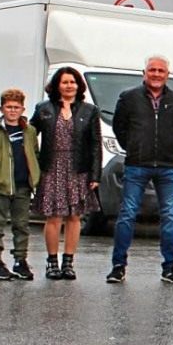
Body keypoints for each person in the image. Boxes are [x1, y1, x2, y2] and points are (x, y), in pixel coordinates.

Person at [107, 56, 173, 285]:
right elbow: (119, 128)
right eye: (152, 70)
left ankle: (170, 268)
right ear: (144, 72)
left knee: (169, 216)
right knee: (127, 214)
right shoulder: (129, 98)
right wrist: (134, 147)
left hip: (168, 167)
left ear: (167, 74)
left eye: (161, 71)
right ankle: (118, 266)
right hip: (137, 165)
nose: (156, 74)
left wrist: (169, 147)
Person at [31, 67, 101, 281]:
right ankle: (52, 262)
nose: (69, 86)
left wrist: (95, 174)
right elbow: (29, 134)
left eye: (73, 82)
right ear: (57, 85)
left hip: (78, 168)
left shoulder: (90, 110)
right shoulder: (43, 109)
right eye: (65, 82)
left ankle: (68, 262)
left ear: (79, 86)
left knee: (74, 217)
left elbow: (96, 144)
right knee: (53, 216)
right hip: (52, 167)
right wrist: (32, 165)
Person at [0, 89, 41, 281]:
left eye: (16, 107)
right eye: (9, 107)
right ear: (2, 108)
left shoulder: (29, 131)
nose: (12, 110)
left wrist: (34, 175)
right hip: (1, 185)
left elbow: (35, 153)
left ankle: (20, 260)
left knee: (21, 225)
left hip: (23, 185)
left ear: (22, 109)